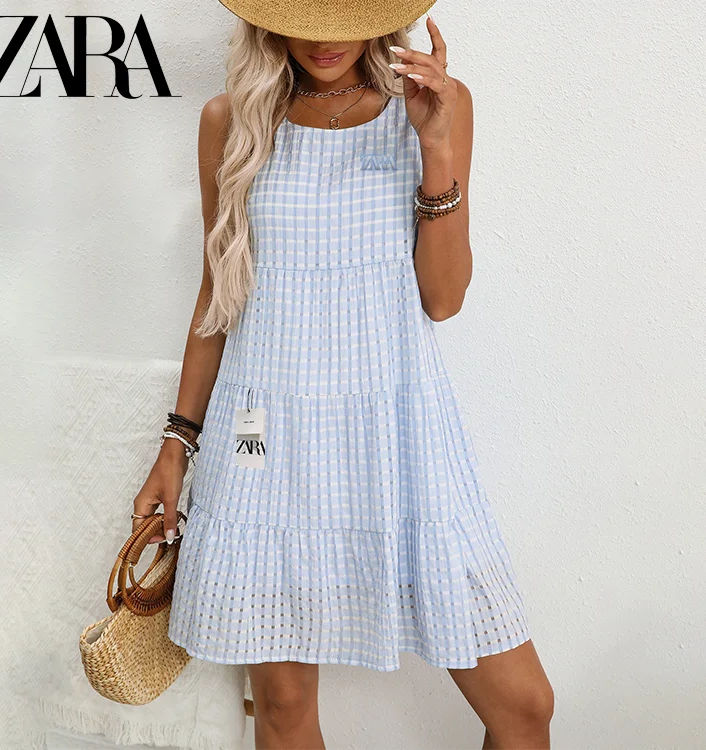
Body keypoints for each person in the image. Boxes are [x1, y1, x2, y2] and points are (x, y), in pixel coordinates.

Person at [132, 1, 554, 747]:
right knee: (284, 707)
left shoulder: (436, 107)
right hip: (263, 438)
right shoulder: (231, 121)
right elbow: (218, 295)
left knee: (523, 708)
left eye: (343, 17)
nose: (324, 42)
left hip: (398, 430)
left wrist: (437, 147)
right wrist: (177, 442)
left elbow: (443, 298)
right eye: (305, 18)